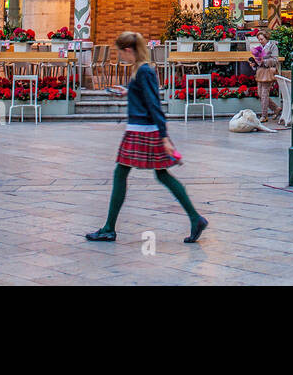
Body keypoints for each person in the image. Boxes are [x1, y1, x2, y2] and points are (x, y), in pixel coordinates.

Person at [86, 31, 208, 244]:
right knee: (160, 174)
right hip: (143, 128)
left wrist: (164, 137)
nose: (121, 57)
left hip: (142, 130)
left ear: (128, 50)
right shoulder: (141, 71)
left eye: (121, 53)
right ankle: (195, 218)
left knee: (122, 173)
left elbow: (154, 104)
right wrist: (128, 91)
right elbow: (146, 97)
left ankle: (108, 228)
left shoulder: (144, 71)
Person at [249, 28, 281, 122]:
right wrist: (254, 63)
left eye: (261, 39)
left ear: (266, 38)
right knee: (260, 94)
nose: (260, 41)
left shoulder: (273, 46)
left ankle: (264, 115)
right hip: (260, 72)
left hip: (268, 72)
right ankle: (276, 109)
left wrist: (264, 61)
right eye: (259, 39)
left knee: (264, 94)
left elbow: (275, 60)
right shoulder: (259, 48)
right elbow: (258, 61)